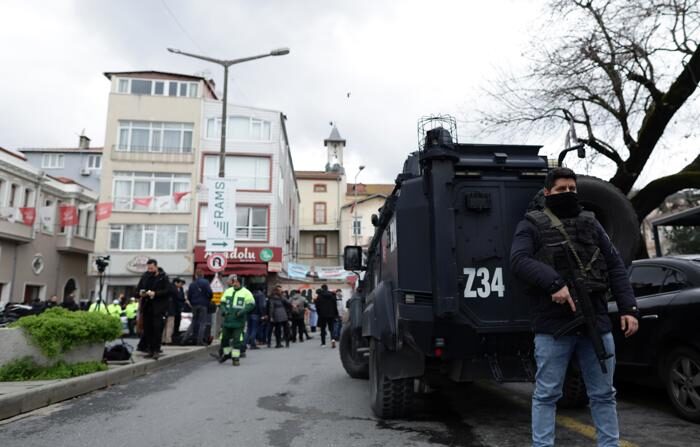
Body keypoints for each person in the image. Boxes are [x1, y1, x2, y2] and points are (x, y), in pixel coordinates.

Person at [510, 167, 639, 447]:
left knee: (604, 394)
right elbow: (518, 260)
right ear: (547, 193)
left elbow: (615, 265)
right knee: (546, 395)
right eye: (561, 190)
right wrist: (554, 283)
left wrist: (629, 308)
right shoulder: (531, 224)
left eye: (572, 189)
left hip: (596, 321)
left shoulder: (591, 223)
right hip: (554, 325)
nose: (567, 194)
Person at [135, 259, 171, 359]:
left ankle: (156, 350)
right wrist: (141, 293)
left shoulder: (163, 277)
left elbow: (168, 291)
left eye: (151, 268)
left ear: (156, 266)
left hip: (159, 308)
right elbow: (137, 290)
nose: (150, 270)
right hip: (147, 307)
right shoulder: (145, 276)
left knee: (157, 329)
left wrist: (156, 293)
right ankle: (149, 350)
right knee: (148, 330)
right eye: (148, 268)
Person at [217, 275, 255, 366]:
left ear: (240, 282)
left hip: (238, 321)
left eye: (236, 282)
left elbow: (251, 304)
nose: (235, 283)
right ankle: (226, 354)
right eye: (233, 282)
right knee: (224, 339)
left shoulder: (246, 292)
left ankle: (235, 358)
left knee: (237, 340)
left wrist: (242, 312)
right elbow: (222, 303)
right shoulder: (228, 291)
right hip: (227, 320)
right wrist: (224, 311)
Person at [187, 268, 213, 345]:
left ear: (195, 275)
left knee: (194, 322)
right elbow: (210, 293)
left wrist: (192, 302)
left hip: (194, 305)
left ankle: (186, 338)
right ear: (203, 275)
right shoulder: (206, 282)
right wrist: (207, 300)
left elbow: (189, 296)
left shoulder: (192, 284)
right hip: (203, 305)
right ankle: (200, 341)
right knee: (202, 323)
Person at [246, 285, 267, 350]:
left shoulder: (250, 294)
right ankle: (252, 344)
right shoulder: (260, 295)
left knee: (249, 329)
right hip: (256, 314)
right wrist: (263, 314)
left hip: (249, 314)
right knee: (254, 329)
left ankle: (245, 344)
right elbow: (261, 306)